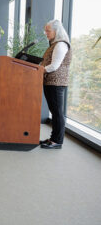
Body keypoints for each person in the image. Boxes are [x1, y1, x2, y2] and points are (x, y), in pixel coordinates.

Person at [40, 20, 72, 149]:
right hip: (50, 81)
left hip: (56, 82)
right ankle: (54, 138)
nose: (46, 33)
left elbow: (54, 66)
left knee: (57, 112)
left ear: (56, 31)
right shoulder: (54, 44)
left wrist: (39, 70)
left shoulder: (61, 45)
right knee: (54, 111)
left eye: (48, 31)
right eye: (46, 30)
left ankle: (57, 141)